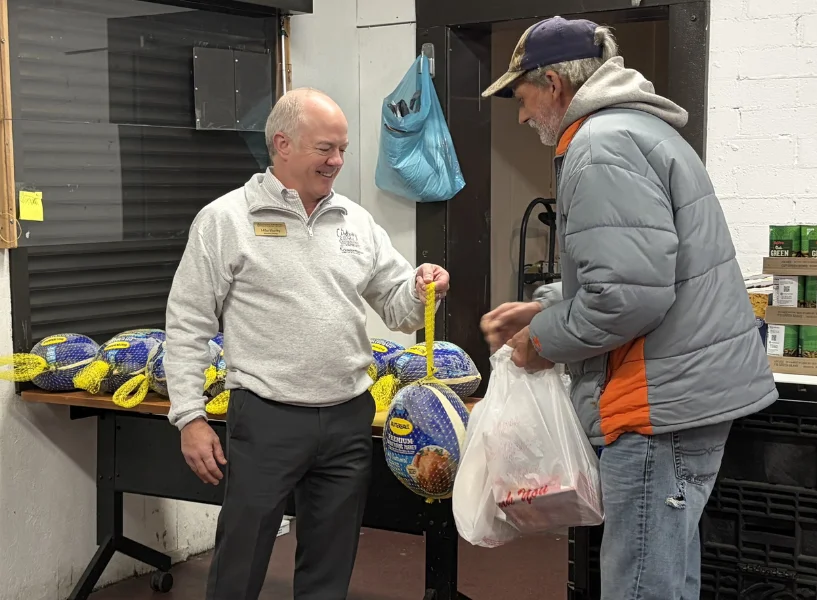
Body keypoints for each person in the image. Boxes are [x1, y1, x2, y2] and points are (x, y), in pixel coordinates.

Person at [479, 17, 777, 599]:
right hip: (683, 393)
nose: (521, 114)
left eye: (522, 96)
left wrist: (540, 344)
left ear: (555, 84)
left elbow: (625, 300)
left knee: (640, 583)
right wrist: (542, 307)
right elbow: (634, 272)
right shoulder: (640, 131)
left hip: (655, 403)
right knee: (666, 571)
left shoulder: (599, 145)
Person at [164, 87, 449, 600]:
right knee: (241, 556)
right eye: (326, 148)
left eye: (342, 149)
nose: (337, 161)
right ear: (283, 144)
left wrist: (423, 286)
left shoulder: (356, 222)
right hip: (266, 415)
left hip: (348, 416)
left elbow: (399, 310)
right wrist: (189, 415)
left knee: (330, 561)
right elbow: (187, 324)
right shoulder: (226, 220)